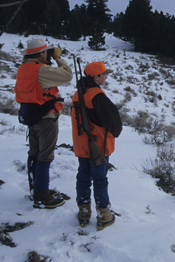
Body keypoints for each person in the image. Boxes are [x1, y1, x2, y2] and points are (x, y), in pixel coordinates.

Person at [14, 38, 73, 209]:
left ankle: (36, 188)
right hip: (46, 117)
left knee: (34, 153)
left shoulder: (23, 69)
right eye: (46, 52)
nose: (48, 54)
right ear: (41, 54)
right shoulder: (41, 70)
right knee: (45, 156)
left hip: (30, 116)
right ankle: (42, 196)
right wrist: (58, 58)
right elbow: (67, 75)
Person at [71, 61, 122, 230]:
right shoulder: (97, 95)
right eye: (104, 74)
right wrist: (114, 132)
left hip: (82, 145)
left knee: (83, 177)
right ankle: (104, 215)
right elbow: (113, 120)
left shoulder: (77, 94)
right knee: (100, 179)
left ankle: (83, 212)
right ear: (96, 77)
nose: (106, 77)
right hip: (98, 145)